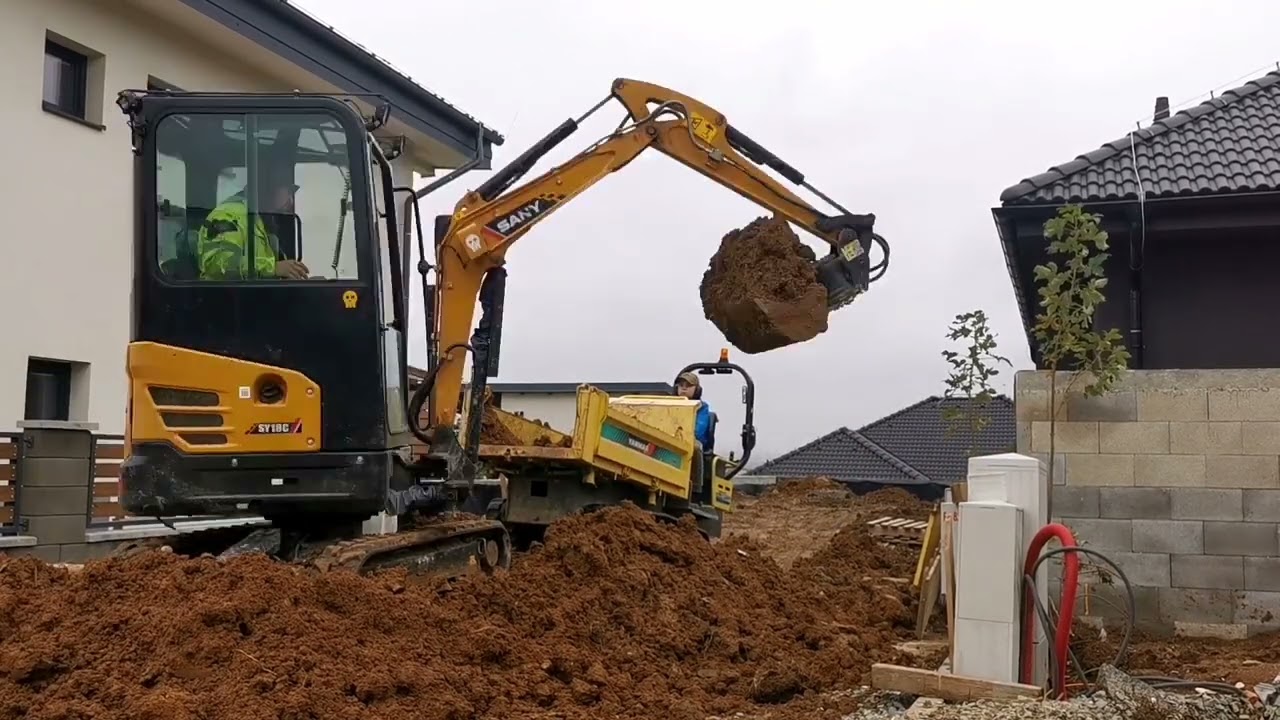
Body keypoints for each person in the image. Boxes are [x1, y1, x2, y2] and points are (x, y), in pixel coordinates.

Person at [197, 177, 310, 280]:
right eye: (288, 193)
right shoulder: (227, 215)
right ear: (269, 190)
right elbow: (220, 264)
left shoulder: (261, 220)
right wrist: (273, 268)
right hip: (226, 300)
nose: (290, 201)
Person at [675, 371, 714, 450]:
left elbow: (698, 433)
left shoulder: (701, 407)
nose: (684, 388)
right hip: (672, 439)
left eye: (688, 385)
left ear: (697, 390)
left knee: (696, 446)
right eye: (681, 385)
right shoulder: (671, 405)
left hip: (692, 443)